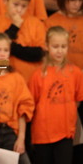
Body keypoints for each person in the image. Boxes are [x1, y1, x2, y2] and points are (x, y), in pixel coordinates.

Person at [28, 26, 83, 164]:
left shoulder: (75, 72)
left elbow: (78, 100)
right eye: (55, 46)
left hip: (65, 132)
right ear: (46, 46)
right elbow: (31, 104)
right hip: (42, 133)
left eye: (63, 46)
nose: (60, 50)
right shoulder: (38, 74)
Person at [0, 32, 34, 164]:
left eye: (6, 50)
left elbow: (23, 110)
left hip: (11, 131)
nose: (2, 54)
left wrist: (21, 138)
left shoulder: (16, 78)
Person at [45, 0, 83, 69]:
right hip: (60, 75)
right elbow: (46, 55)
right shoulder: (51, 22)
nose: (77, 4)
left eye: (80, 0)